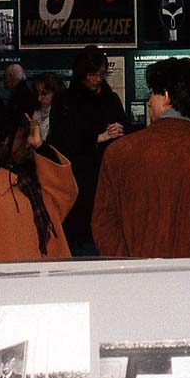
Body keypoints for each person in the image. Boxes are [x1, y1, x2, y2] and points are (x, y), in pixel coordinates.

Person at [92, 57, 190, 258]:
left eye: (151, 93)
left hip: (136, 275)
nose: (148, 102)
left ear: (166, 96)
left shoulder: (118, 154)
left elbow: (104, 225)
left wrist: (133, 267)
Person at [0, 84, 77, 263]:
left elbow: (65, 194)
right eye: (23, 137)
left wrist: (40, 146)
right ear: (5, 141)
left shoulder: (28, 180)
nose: (28, 142)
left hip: (41, 273)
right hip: (12, 277)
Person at [49, 46, 126, 256]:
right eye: (92, 74)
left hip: (105, 177)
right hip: (78, 181)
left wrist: (119, 129)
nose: (97, 79)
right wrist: (97, 138)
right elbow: (61, 140)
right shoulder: (65, 100)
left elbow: (124, 126)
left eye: (101, 74)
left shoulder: (110, 98)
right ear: (82, 72)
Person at [32, 72, 63, 141]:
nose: (39, 98)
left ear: (56, 93)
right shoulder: (37, 112)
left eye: (44, 94)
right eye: (38, 93)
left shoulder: (62, 117)